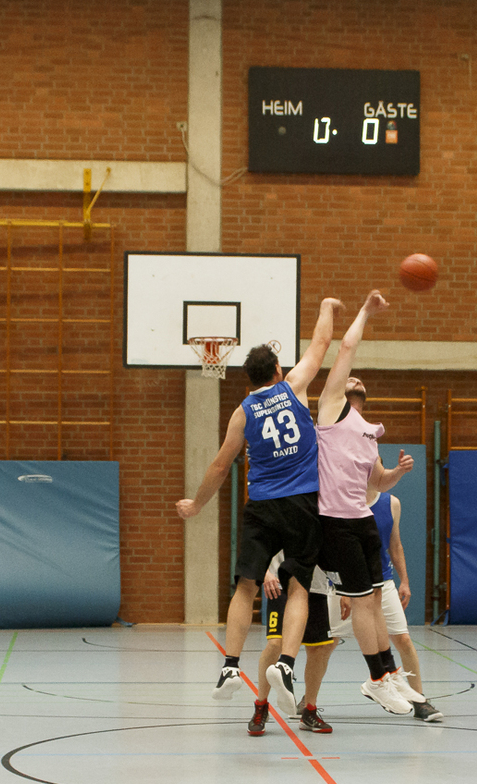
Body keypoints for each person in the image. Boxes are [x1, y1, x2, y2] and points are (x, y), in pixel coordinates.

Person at [176, 296, 342, 715]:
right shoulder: (294, 387)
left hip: (261, 506)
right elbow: (322, 343)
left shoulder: (242, 412)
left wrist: (196, 504)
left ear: (247, 380)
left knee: (245, 585)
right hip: (302, 505)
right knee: (300, 586)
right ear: (277, 372)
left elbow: (219, 464)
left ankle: (230, 666)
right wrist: (326, 306)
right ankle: (285, 665)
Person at [316, 290, 420, 716]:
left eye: (358, 381)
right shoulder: (331, 409)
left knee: (375, 601)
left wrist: (398, 473)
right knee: (362, 603)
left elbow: (377, 481)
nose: (352, 378)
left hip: (362, 519)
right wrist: (363, 311)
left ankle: (388, 673)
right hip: (336, 523)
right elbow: (346, 347)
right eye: (348, 378)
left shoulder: (364, 429)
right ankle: (376, 679)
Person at [329, 488, 443, 722]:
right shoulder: (343, 498)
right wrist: (345, 586)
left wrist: (405, 582)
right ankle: (309, 702)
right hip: (345, 584)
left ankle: (419, 700)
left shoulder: (391, 503)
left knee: (403, 639)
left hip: (382, 581)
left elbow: (395, 544)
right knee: (324, 644)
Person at [248, 552, 337, 735]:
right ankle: (261, 706)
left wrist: (344, 589)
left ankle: (309, 711)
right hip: (280, 584)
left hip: (316, 586)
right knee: (275, 644)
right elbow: (259, 538)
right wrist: (264, 571)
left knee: (318, 649)